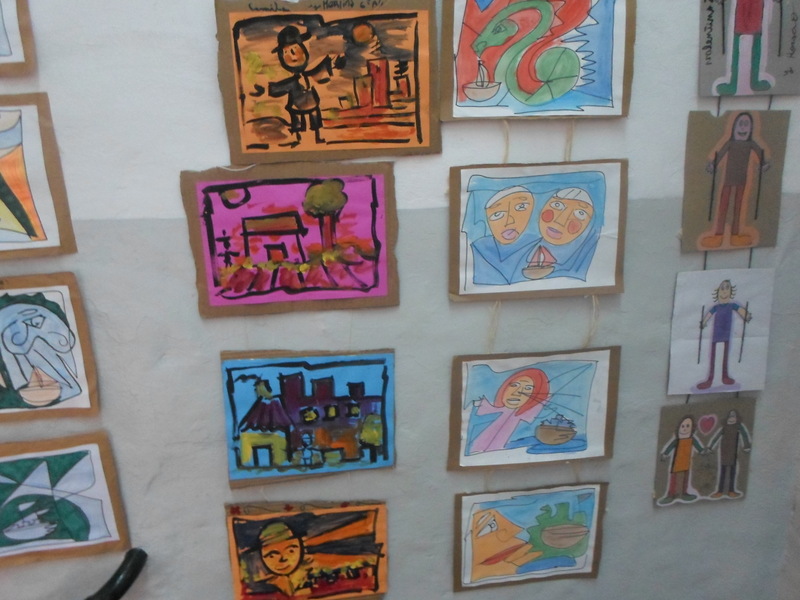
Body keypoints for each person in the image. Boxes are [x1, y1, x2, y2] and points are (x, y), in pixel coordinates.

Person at [700, 112, 770, 249]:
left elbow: (760, 154)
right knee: (723, 206)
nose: (743, 128)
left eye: (746, 124)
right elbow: (720, 154)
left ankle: (735, 235)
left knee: (738, 207)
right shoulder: (730, 143)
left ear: (751, 128)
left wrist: (764, 164)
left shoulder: (750, 143)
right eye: (740, 124)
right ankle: (718, 235)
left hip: (742, 180)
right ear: (734, 127)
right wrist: (713, 164)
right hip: (728, 180)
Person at [268, 26, 341, 146]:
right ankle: (299, 139)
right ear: (281, 57)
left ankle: (317, 136)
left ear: (303, 49)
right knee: (297, 121)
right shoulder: (292, 81)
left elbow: (321, 70)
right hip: (296, 105)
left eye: (295, 49)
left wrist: (332, 63)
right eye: (286, 52)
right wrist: (271, 88)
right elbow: (278, 88)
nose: (292, 55)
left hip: (311, 101)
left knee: (315, 116)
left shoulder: (309, 73)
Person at [523, 187, 598, 281]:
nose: (560, 221)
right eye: (557, 205)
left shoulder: (585, 266)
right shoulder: (524, 250)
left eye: (580, 213)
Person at [469, 368, 550, 453]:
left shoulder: (533, 421)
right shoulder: (481, 408)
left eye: (528, 388)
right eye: (514, 385)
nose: (516, 392)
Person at [469, 186, 538, 284]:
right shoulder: (477, 248)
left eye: (521, 207)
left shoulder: (539, 245)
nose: (509, 221)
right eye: (497, 214)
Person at [697, 279, 752, 390]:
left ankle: (724, 376)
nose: (724, 291)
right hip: (716, 335)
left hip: (726, 335)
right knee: (713, 357)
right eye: (722, 289)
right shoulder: (716, 307)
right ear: (717, 292)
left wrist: (746, 315)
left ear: (731, 292)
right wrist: (703, 322)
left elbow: (741, 311)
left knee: (725, 356)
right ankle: (710, 379)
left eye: (727, 288)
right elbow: (708, 315)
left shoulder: (732, 306)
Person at [715, 0, 778, 95]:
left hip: (755, 5)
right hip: (744, 6)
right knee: (739, 35)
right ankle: (734, 83)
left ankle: (754, 81)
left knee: (756, 34)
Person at [256, 521, 312, 597]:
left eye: (291, 551)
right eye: (272, 556)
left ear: (301, 548)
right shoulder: (264, 589)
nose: (283, 559)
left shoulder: (312, 577)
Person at [706, 409, 752, 498]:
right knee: (723, 471)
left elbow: (744, 435)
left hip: (733, 452)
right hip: (724, 451)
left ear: (737, 418)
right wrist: (710, 447)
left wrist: (746, 445)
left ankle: (731, 491)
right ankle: (720, 491)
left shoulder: (738, 426)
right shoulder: (724, 427)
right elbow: (717, 437)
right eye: (730, 417)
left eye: (734, 416)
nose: (732, 418)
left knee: (732, 472)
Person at [658, 415, 704, 505]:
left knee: (685, 478)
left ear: (692, 428)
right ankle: (670, 495)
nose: (685, 428)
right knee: (674, 479)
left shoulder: (691, 439)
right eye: (682, 426)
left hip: (686, 462)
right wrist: (665, 454)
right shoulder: (677, 440)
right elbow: (670, 447)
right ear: (679, 428)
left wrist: (702, 451)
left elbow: (698, 446)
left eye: (687, 426)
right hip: (676, 462)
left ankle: (684, 493)